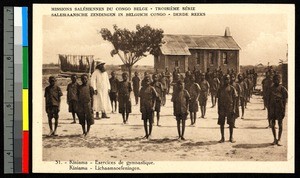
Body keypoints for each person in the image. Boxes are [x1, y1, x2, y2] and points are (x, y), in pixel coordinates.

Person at [267, 74, 288, 146]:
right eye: (275, 79)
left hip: (279, 108)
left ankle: (279, 139)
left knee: (280, 124)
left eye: (278, 79)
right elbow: (268, 100)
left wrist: (284, 109)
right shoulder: (270, 88)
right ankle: (274, 138)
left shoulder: (283, 89)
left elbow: (285, 100)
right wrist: (269, 110)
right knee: (272, 124)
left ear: (280, 80)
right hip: (272, 109)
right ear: (273, 80)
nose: (277, 81)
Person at [217, 75, 237, 143]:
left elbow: (234, 99)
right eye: (225, 79)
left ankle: (231, 137)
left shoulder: (232, 88)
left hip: (230, 107)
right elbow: (218, 100)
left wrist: (234, 109)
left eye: (228, 79)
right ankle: (222, 137)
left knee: (231, 123)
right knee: (222, 123)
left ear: (229, 80)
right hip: (222, 108)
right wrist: (218, 109)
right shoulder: (220, 89)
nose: (226, 81)